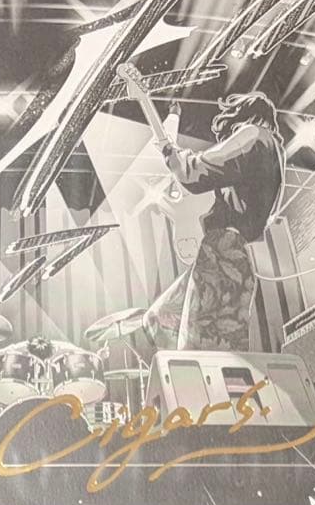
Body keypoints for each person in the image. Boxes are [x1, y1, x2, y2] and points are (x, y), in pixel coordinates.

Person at [122, 68, 285, 351]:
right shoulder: (271, 154)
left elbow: (193, 173)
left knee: (200, 349)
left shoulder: (253, 134)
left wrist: (150, 113)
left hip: (224, 253)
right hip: (229, 256)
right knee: (159, 319)